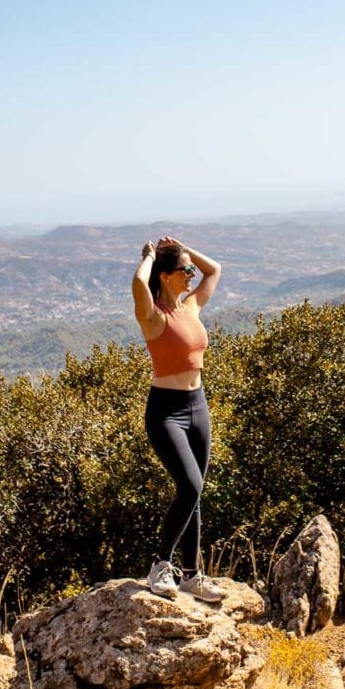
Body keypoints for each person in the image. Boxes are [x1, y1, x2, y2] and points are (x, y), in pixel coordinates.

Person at [132, 235, 226, 602]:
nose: (191, 274)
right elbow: (140, 282)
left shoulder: (191, 307)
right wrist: (150, 257)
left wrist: (185, 246)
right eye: (184, 270)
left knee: (195, 494)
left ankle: (192, 575)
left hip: (197, 406)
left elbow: (214, 269)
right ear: (166, 276)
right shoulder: (153, 316)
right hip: (166, 411)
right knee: (189, 486)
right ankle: (161, 564)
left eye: (190, 269)